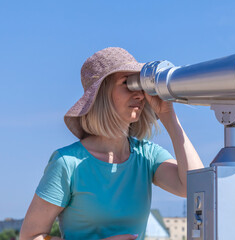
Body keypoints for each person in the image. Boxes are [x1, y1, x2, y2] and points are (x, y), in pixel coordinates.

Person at [19, 47, 204, 240]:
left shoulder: (146, 156)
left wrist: (168, 116)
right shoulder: (68, 163)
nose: (140, 94)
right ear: (101, 93)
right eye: (128, 83)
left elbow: (195, 189)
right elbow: (30, 236)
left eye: (140, 84)